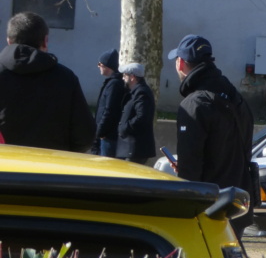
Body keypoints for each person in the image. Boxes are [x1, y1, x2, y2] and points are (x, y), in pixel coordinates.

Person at [168, 34, 256, 231]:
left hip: (209, 208)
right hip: (238, 202)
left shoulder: (194, 105)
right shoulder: (236, 98)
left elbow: (190, 171)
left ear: (180, 63)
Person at [0, 12, 94, 152]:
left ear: (9, 40)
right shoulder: (66, 78)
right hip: (51, 167)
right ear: (45, 41)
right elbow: (85, 135)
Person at [116, 63, 157, 164]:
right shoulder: (136, 92)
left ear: (132, 77)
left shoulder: (141, 92)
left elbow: (142, 117)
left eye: (125, 75)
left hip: (135, 149)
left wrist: (125, 128)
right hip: (130, 148)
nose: (123, 78)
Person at [93, 48, 126, 157]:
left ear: (106, 65)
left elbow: (109, 110)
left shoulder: (114, 84)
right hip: (106, 135)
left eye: (100, 64)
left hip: (108, 137)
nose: (98, 66)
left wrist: (100, 132)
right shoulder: (112, 83)